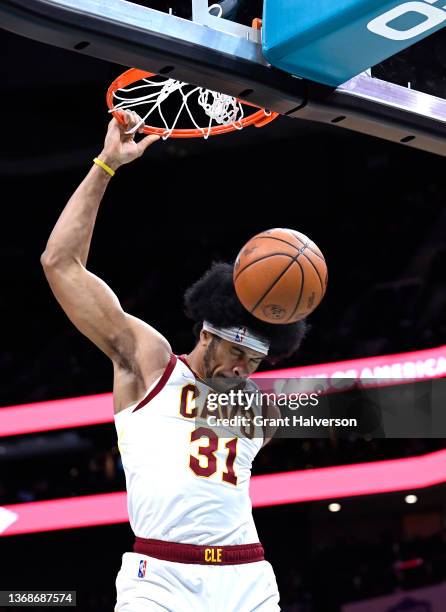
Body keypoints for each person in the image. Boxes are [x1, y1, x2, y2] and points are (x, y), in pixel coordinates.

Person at [41, 111, 308, 611]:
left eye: (254, 362)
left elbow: (383, 409)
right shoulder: (150, 364)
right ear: (208, 331)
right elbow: (61, 264)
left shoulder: (259, 410)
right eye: (235, 353)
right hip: (159, 577)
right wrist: (105, 166)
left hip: (246, 577)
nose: (241, 370)